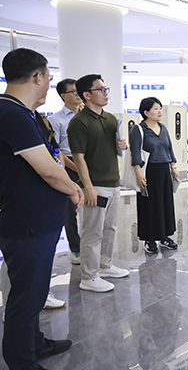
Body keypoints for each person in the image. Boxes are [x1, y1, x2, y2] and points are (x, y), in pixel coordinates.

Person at [0, 48, 84, 370]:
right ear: (37, 77)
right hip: (26, 222)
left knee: (34, 292)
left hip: (35, 220)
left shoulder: (24, 113)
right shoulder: (11, 113)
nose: (49, 84)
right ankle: (21, 361)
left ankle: (34, 343)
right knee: (26, 297)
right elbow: (48, 168)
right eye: (48, 77)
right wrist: (74, 189)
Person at [68, 74, 130, 293]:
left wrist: (122, 145)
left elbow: (113, 149)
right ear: (87, 95)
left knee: (110, 228)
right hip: (96, 185)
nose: (105, 93)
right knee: (92, 232)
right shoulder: (79, 122)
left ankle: (105, 265)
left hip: (113, 181)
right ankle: (89, 276)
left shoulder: (111, 119)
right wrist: (88, 187)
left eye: (106, 89)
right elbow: (79, 158)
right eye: (101, 90)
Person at [129, 97, 179, 254]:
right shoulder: (138, 129)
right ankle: (149, 239)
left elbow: (169, 148)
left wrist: (173, 166)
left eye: (160, 108)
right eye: (156, 108)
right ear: (146, 112)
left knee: (165, 204)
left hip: (164, 171)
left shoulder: (162, 128)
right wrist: (138, 172)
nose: (159, 111)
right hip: (148, 171)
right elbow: (135, 152)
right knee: (149, 205)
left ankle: (164, 236)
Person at [49, 78, 83, 265]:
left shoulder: (87, 116)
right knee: (70, 211)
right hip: (69, 167)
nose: (78, 95)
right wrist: (74, 167)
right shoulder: (55, 120)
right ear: (63, 96)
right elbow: (57, 150)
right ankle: (76, 249)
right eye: (73, 91)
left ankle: (92, 246)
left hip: (89, 165)